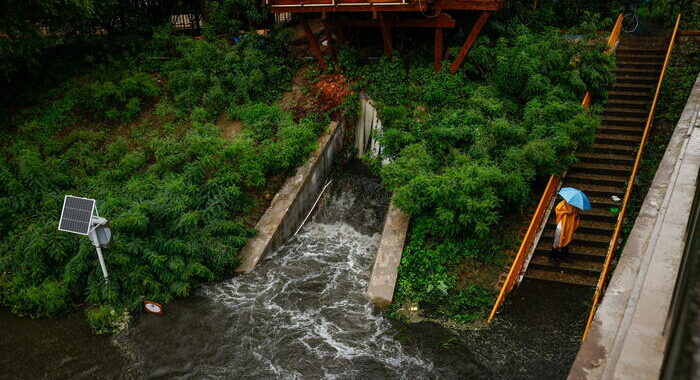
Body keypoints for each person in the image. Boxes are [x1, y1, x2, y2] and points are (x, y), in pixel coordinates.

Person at [549, 199, 580, 266]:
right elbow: (557, 210)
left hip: (569, 226)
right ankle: (552, 257)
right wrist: (566, 212)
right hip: (562, 225)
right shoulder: (563, 203)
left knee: (567, 240)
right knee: (557, 241)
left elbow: (576, 216)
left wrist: (575, 214)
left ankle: (563, 256)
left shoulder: (575, 207)